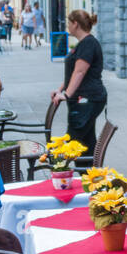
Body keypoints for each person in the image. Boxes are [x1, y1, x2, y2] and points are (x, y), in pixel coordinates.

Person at [50, 9, 107, 159]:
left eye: (69, 23)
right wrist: (60, 89)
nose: (68, 26)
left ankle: (70, 174)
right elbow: (73, 73)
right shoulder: (83, 44)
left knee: (73, 142)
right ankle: (89, 176)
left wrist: (66, 95)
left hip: (86, 99)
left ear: (75, 24)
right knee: (85, 143)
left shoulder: (88, 44)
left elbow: (80, 72)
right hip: (85, 99)